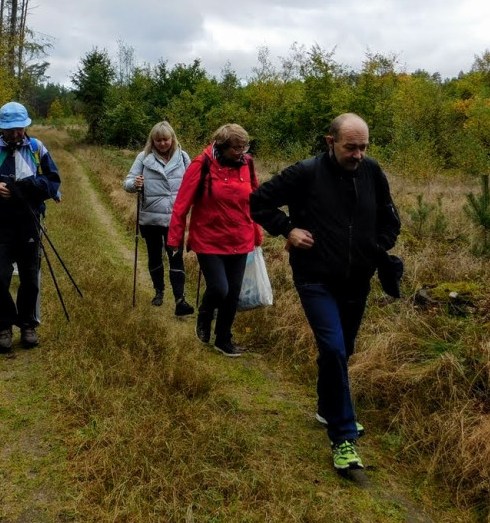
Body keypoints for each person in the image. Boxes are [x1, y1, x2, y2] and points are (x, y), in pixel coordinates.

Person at [249, 113, 400, 472]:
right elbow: (258, 202)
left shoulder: (372, 171)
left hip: (357, 279)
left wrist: (376, 248)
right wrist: (288, 229)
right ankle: (343, 437)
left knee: (342, 351)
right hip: (314, 277)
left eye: (364, 147)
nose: (358, 154)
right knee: (332, 348)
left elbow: (390, 218)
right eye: (351, 147)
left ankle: (326, 407)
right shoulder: (305, 172)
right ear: (330, 142)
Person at [0, 102, 61, 354]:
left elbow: (53, 180)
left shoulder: (37, 148)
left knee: (30, 278)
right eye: (10, 129)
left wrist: (33, 185)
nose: (16, 133)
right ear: (1, 127)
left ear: (25, 126)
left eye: (20, 128)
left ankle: (28, 325)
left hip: (29, 223)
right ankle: (3, 327)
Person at [168, 124, 261, 357]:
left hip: (240, 237)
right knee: (220, 288)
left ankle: (223, 338)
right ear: (221, 146)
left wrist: (257, 233)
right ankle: (205, 313)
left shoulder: (247, 164)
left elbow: (255, 201)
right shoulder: (202, 164)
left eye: (244, 147)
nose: (241, 152)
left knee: (233, 293)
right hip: (209, 238)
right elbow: (181, 205)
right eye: (236, 148)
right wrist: (175, 239)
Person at [123, 121, 195, 316]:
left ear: (172, 139)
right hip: (150, 218)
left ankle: (180, 300)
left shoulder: (183, 157)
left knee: (176, 257)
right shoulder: (144, 157)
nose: (162, 143)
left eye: (165, 139)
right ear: (152, 141)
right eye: (158, 140)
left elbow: (193, 181)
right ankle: (159, 291)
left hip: (175, 219)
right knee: (155, 255)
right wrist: (134, 183)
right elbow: (127, 182)